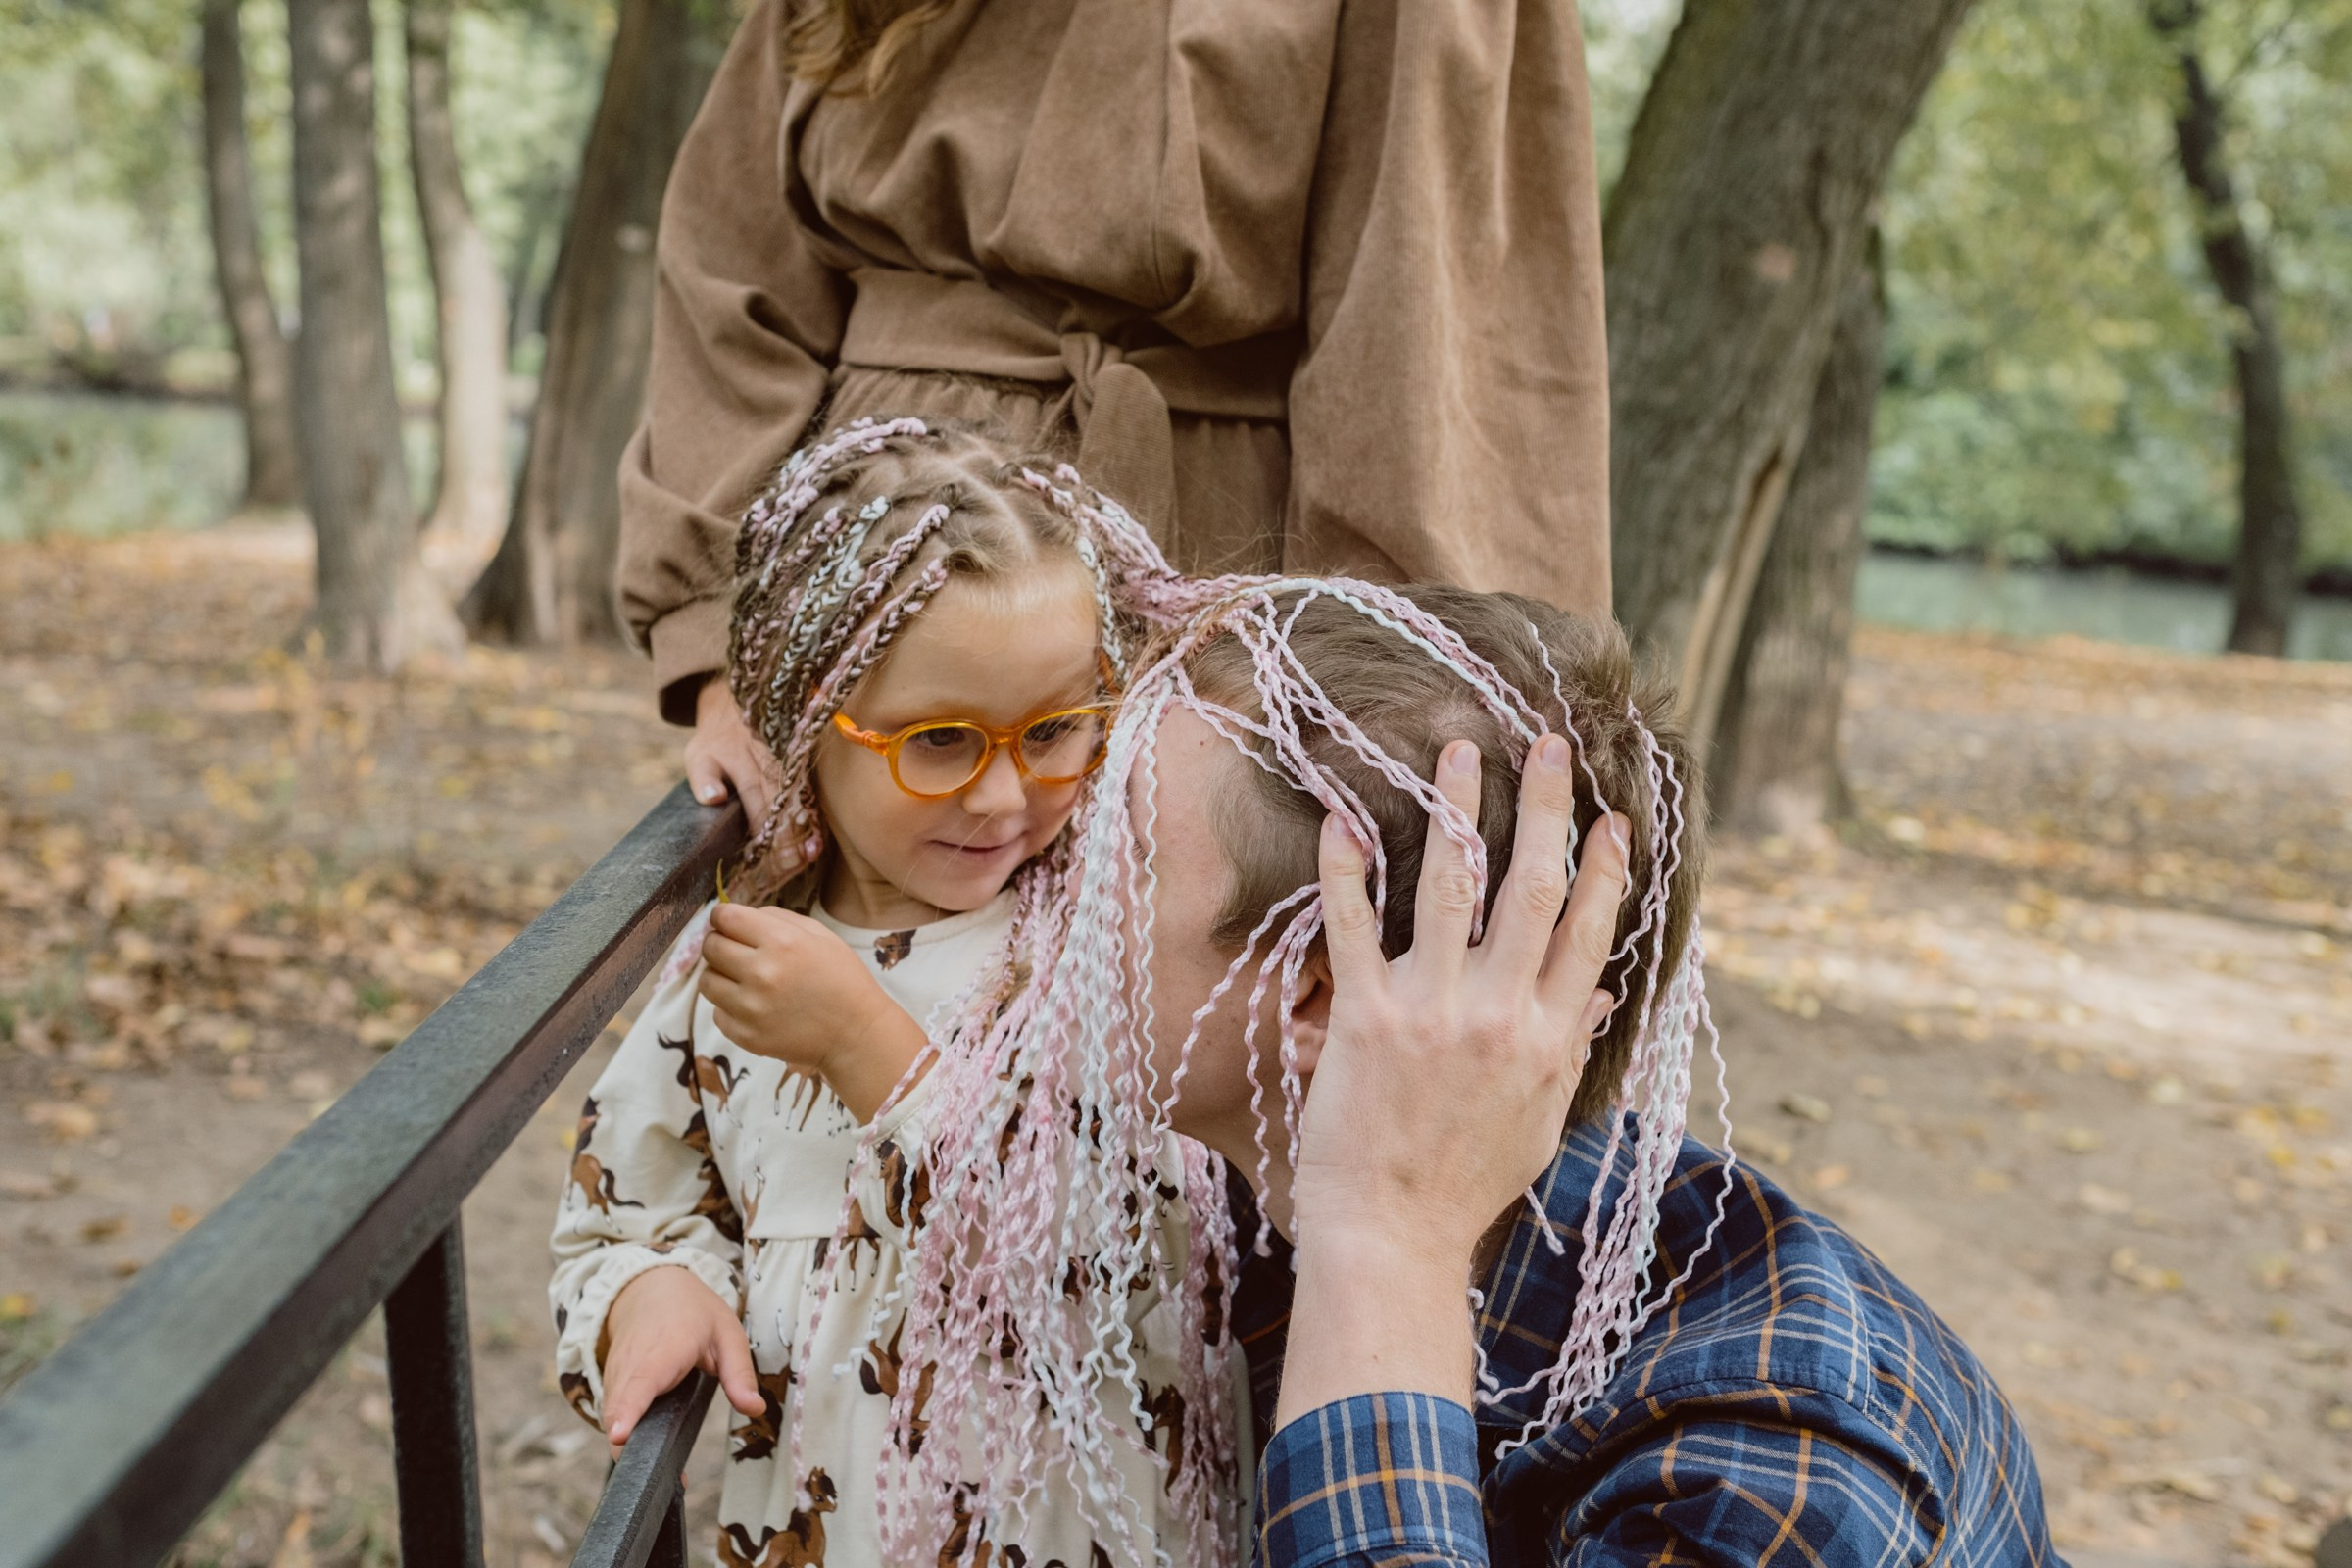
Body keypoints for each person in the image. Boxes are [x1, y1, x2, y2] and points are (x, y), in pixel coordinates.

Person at [762, 574, 2060, 1565]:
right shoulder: (1245, 1210)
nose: (1031, 885)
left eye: (1107, 869)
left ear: (1320, 995)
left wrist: (1387, 1241)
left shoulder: (1769, 1483)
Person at [615, 0, 1615, 828]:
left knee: (1139, 1047)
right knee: (816, 1019)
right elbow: (731, 266)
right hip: (872, 571)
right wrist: (722, 646)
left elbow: (1434, 337)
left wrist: (1388, 717)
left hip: (1208, 591)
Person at [548, 421, 1230, 1568]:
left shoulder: (1114, 943)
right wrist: (648, 1288)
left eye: (1057, 729)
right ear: (807, 722)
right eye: (942, 740)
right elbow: (623, 1206)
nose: (1007, 792)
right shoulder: (741, 961)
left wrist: (877, 1057)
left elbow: (1139, 1255)